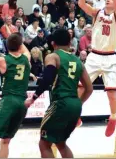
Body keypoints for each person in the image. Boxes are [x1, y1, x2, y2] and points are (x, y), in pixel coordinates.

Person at [24, 29, 93, 158]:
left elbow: (47, 79)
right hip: (75, 105)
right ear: (69, 43)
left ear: (53, 43)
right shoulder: (78, 61)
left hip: (60, 103)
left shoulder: (53, 56)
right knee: (61, 143)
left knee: (44, 144)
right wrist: (79, 102)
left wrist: (32, 98)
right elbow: (89, 89)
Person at [78, 0, 116, 137]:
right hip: (94, 56)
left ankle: (113, 118)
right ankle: (77, 114)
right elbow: (81, 3)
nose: (107, 0)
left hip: (110, 57)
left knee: (111, 93)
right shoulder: (97, 13)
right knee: (79, 88)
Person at [0, 33, 31, 158]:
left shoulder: (3, 60)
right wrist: (15, 38)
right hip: (23, 103)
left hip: (9, 100)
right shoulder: (26, 58)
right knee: (6, 141)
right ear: (20, 46)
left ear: (6, 46)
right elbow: (24, 49)